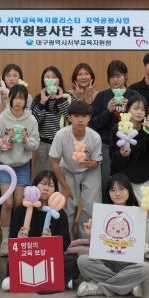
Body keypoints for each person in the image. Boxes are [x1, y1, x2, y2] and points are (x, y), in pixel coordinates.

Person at [76, 173, 149, 298]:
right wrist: (90, 235)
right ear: (108, 193)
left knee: (147, 269)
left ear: (129, 191)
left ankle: (99, 287)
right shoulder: (102, 213)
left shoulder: (138, 213)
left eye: (121, 189)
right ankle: (127, 286)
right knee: (82, 261)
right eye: (113, 190)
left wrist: (144, 219)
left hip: (128, 264)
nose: (117, 193)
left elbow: (137, 244)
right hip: (105, 263)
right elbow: (98, 246)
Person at [2, 171, 79, 291]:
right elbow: (12, 240)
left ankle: (21, 279)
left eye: (51, 185)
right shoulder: (20, 210)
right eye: (43, 184)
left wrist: (52, 240)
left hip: (49, 258)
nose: (46, 188)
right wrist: (18, 238)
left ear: (55, 190)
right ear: (35, 185)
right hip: (27, 256)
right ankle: (60, 279)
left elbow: (65, 243)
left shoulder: (59, 213)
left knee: (73, 262)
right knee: (11, 262)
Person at [110, 95, 149, 259]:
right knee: (122, 213)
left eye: (142, 109)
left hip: (143, 177)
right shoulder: (118, 128)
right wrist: (122, 154)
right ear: (128, 110)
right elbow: (112, 155)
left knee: (147, 211)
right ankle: (120, 246)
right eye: (135, 108)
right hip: (122, 177)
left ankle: (146, 248)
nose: (139, 112)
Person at [0, 84, 40, 255]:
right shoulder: (1, 118)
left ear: (26, 101)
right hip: (4, 164)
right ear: (10, 98)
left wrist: (25, 140)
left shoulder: (30, 119)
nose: (18, 101)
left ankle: (15, 236)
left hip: (22, 165)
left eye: (22, 98)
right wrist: (7, 139)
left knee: (19, 203)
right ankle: (5, 240)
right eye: (15, 97)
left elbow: (35, 144)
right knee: (8, 202)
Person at [50, 100, 102, 238]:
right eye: (76, 116)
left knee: (91, 207)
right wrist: (64, 186)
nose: (80, 120)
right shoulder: (61, 135)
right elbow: (54, 161)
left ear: (89, 118)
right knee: (67, 206)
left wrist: (91, 164)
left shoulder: (95, 137)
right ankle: (67, 240)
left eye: (84, 116)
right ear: (69, 117)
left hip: (90, 171)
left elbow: (97, 162)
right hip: (67, 169)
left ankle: (84, 238)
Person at [90, 60, 138, 190]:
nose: (115, 80)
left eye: (118, 76)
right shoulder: (102, 96)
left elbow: (140, 120)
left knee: (127, 182)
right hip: (106, 145)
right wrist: (107, 111)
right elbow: (94, 123)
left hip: (129, 144)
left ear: (125, 76)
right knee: (106, 181)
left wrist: (130, 110)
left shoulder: (133, 95)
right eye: (112, 77)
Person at [32, 66, 70, 175]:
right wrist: (42, 102)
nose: (51, 80)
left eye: (54, 77)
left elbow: (70, 117)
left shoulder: (67, 97)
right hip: (43, 145)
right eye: (47, 77)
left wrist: (60, 99)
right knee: (42, 177)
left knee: (61, 177)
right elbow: (34, 121)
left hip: (63, 145)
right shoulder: (38, 99)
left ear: (59, 80)